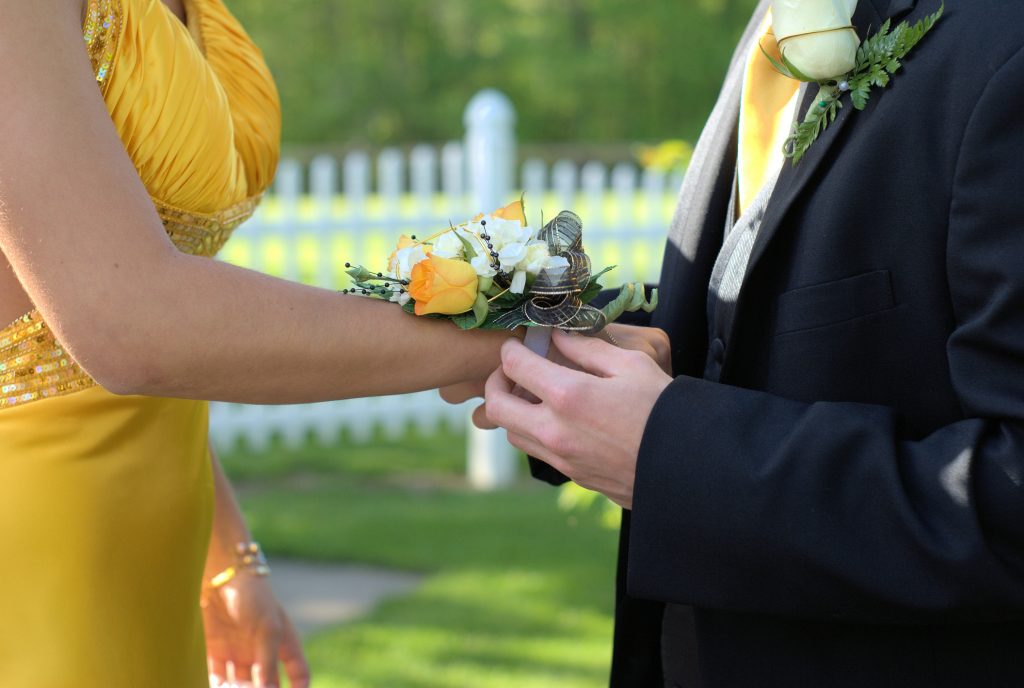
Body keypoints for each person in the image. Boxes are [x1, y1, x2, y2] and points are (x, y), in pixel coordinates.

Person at [0, 1, 668, 685]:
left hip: (154, 542)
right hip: (36, 530)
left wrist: (227, 557)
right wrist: (522, 334)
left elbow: (115, 345)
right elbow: (129, 323)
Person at [453, 0, 1024, 685]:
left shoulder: (1005, 46)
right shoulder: (778, 22)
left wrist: (670, 454)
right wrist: (554, 340)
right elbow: (755, 315)